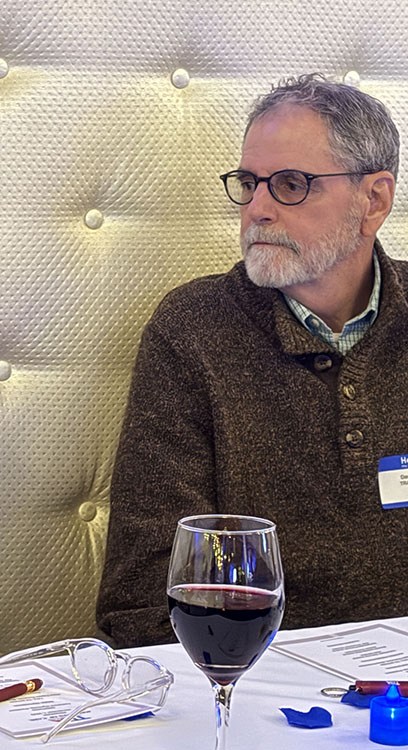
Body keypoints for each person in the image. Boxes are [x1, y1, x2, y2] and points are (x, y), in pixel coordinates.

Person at [97, 74, 408, 648]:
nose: (257, 209)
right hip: (253, 686)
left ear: (374, 200)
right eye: (249, 183)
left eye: (291, 184)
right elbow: (144, 598)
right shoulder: (194, 329)